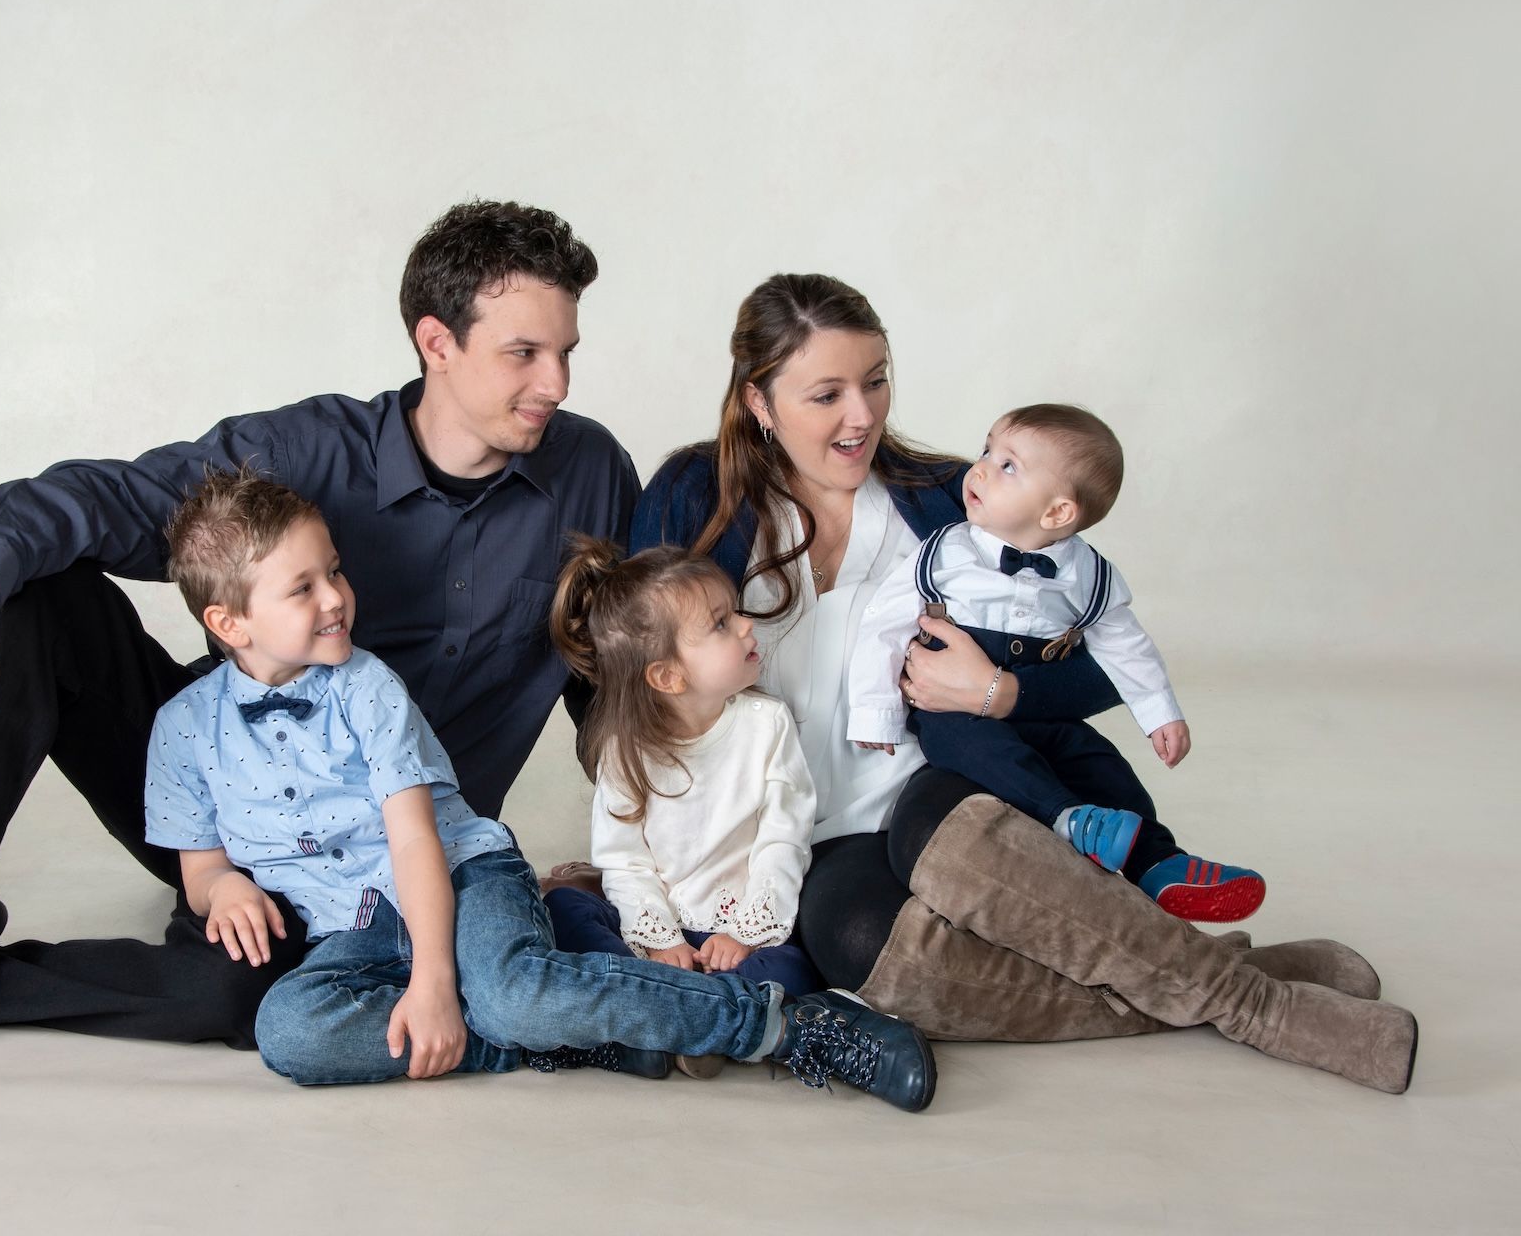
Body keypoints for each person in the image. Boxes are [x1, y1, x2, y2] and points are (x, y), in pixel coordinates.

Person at [0, 200, 645, 1116]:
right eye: (524, 353)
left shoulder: (590, 470)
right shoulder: (304, 453)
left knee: (236, 994)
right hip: (226, 794)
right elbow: (101, 497)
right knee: (40, 591)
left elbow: (612, 683)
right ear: (436, 342)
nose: (554, 383)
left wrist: (651, 871)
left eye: (565, 352)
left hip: (385, 861)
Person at [624, 272, 1417, 1093]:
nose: (863, 415)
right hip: (794, 838)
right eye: (826, 394)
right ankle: (1231, 980)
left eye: (877, 379)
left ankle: (1262, 1013)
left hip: (938, 788)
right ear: (760, 402)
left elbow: (1102, 659)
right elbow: (633, 676)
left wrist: (997, 695)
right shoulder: (694, 500)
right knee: (854, 940)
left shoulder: (951, 503)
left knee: (947, 831)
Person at [150, 470, 935, 1108]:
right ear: (230, 624)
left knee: (516, 992)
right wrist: (220, 888)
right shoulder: (184, 729)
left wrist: (430, 983)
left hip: (457, 879)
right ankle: (589, 1032)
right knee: (288, 1032)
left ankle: (787, 1027)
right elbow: (200, 866)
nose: (335, 597)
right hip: (350, 928)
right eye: (302, 588)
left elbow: (415, 837)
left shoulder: (366, 687)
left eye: (335, 571)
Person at [844, 402, 1264, 920]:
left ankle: (1160, 862)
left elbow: (1123, 645)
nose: (979, 469)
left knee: (1099, 761)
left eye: (1008, 466)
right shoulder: (944, 552)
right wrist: (875, 713)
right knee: (979, 749)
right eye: (987, 451)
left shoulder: (1086, 572)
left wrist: (1160, 714)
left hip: (1043, 712)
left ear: (1058, 514)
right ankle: (1066, 817)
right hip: (952, 713)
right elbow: (883, 627)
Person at [541, 539, 824, 1074]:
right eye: (720, 623)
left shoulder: (768, 725)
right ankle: (700, 1018)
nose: (745, 625)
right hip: (659, 940)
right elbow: (624, 861)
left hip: (735, 939)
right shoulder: (626, 752)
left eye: (734, 611)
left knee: (795, 971)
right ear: (668, 676)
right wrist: (662, 940)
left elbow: (784, 839)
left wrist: (744, 934)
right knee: (563, 912)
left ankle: (660, 1022)